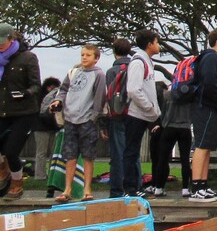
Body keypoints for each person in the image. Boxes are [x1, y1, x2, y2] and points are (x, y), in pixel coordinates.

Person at [50, 44, 106, 202]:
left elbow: (100, 97)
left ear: (96, 58)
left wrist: (93, 117)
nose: (84, 57)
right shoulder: (73, 72)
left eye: (88, 55)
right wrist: (58, 101)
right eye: (82, 54)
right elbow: (63, 89)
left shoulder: (99, 74)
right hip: (70, 118)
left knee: (88, 155)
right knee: (70, 155)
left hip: (87, 119)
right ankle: (67, 189)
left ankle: (87, 188)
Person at [189, 28, 217, 200]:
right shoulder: (210, 57)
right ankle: (196, 188)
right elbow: (208, 84)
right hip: (205, 107)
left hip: (212, 108)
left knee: (207, 146)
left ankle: (203, 184)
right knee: (201, 146)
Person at [0, 23, 41, 200]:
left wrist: (26, 93)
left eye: (3, 41)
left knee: (11, 151)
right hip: (3, 110)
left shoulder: (28, 58)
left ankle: (17, 183)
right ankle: (4, 170)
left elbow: (36, 85)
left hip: (24, 112)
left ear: (12, 38)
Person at [123, 29, 161, 197]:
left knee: (138, 151)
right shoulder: (138, 62)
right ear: (149, 44)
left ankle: (137, 186)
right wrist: (150, 108)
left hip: (146, 114)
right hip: (136, 114)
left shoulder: (147, 61)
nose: (159, 45)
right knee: (131, 152)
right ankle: (129, 189)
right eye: (157, 42)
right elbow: (133, 90)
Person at [102, 38, 141, 198]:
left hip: (116, 114)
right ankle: (135, 185)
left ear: (114, 51)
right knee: (133, 152)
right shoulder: (134, 67)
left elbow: (108, 97)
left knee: (117, 154)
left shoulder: (112, 72)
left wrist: (103, 123)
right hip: (134, 113)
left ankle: (116, 189)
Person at [154, 86, 193, 197]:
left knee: (163, 158)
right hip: (185, 127)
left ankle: (159, 187)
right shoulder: (190, 95)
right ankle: (185, 188)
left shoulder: (167, 95)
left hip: (169, 127)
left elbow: (163, 111)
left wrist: (164, 123)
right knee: (185, 159)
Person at [34, 76, 61, 181]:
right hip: (42, 128)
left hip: (49, 127)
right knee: (42, 152)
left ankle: (48, 175)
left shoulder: (45, 98)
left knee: (49, 153)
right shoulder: (42, 98)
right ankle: (40, 175)